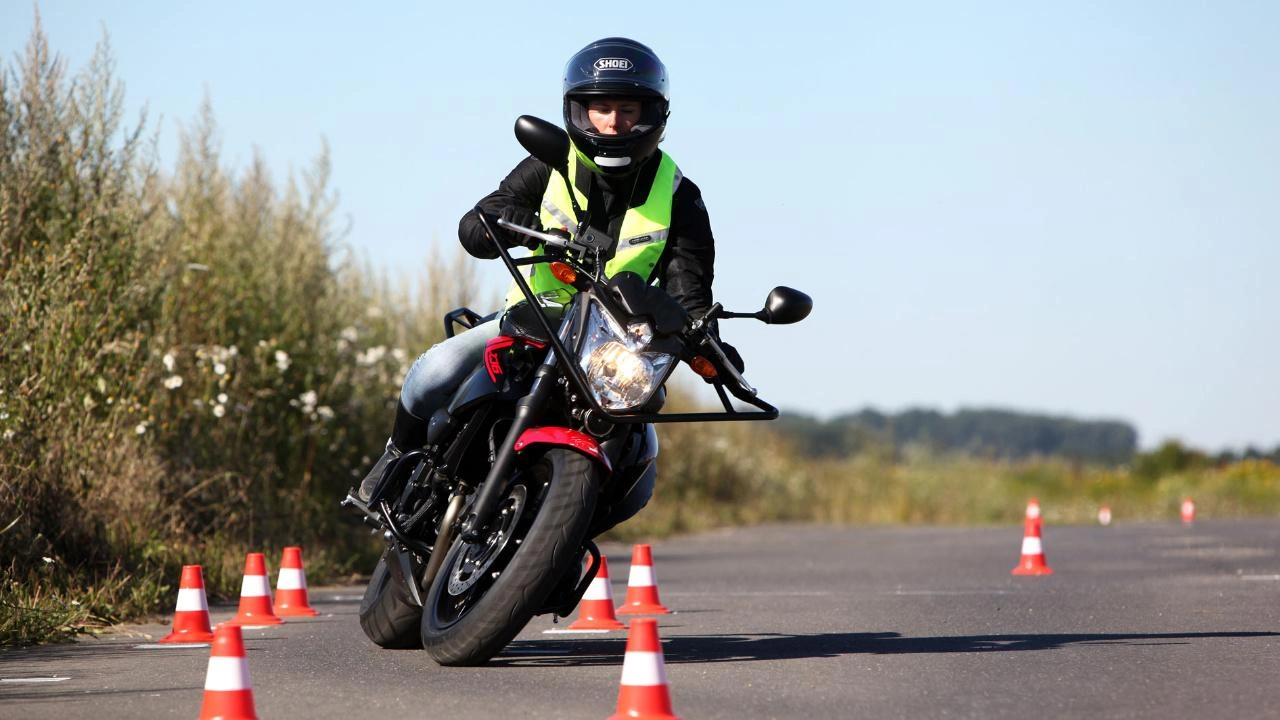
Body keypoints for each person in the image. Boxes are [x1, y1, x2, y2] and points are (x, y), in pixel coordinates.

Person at [358, 37, 736, 502]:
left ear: (654, 114)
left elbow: (689, 289)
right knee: (440, 367)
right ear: (578, 111)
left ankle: (568, 526)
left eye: (628, 109)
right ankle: (395, 457)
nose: (614, 122)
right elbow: (477, 223)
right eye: (601, 108)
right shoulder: (549, 163)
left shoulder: (679, 195)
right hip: (533, 317)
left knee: (639, 464)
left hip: (613, 345)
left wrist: (711, 344)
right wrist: (509, 223)